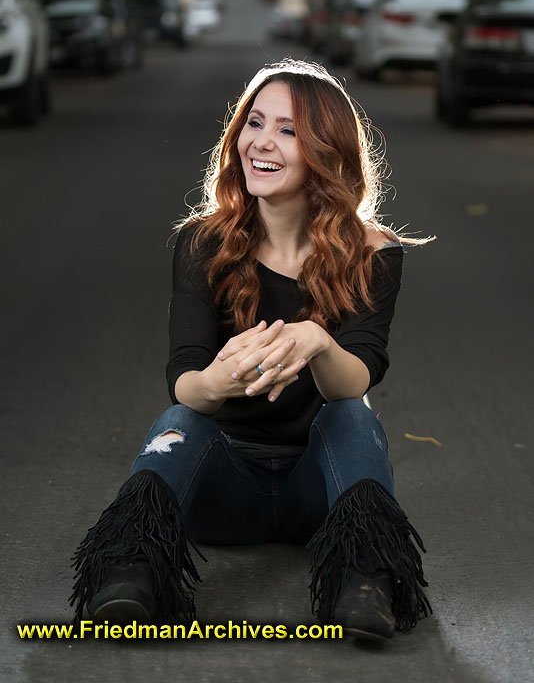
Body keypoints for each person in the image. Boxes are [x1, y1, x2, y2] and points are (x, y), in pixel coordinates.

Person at [70, 58, 431, 641]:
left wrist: (315, 342)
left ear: (326, 150)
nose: (261, 142)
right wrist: (219, 380)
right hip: (225, 491)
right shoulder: (203, 242)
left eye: (287, 130)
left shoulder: (373, 251)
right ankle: (129, 571)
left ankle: (366, 580)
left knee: (352, 416)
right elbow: (184, 376)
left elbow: (358, 376)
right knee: (181, 417)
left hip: (319, 491)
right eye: (254, 123)